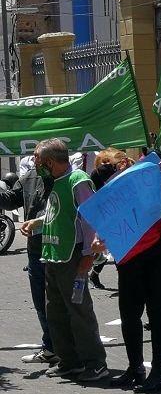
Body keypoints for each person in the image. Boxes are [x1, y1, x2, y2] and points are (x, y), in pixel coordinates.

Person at [19, 139, 107, 381]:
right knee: (55, 312)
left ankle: (96, 363)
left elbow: (90, 218)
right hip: (53, 256)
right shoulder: (56, 181)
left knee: (79, 312)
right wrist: (38, 222)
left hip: (73, 257)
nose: (34, 163)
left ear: (49, 161)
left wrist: (89, 255)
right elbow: (58, 213)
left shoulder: (77, 180)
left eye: (37, 158)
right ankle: (70, 361)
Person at [103, 157, 161, 392]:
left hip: (160, 251)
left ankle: (159, 371)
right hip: (130, 257)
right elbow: (107, 218)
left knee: (158, 313)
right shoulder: (117, 189)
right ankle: (136, 368)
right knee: (129, 314)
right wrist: (100, 238)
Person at [0, 149, 56, 365]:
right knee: (41, 302)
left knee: (64, 303)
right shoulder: (30, 177)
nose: (34, 160)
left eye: (38, 157)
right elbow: (11, 200)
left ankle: (71, 350)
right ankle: (51, 347)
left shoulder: (66, 177)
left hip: (62, 250)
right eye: (34, 156)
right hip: (35, 249)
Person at [87, 148, 134, 290]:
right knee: (108, 249)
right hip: (108, 216)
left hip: (120, 216)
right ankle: (99, 275)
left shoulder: (125, 169)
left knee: (114, 250)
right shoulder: (100, 172)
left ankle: (97, 275)